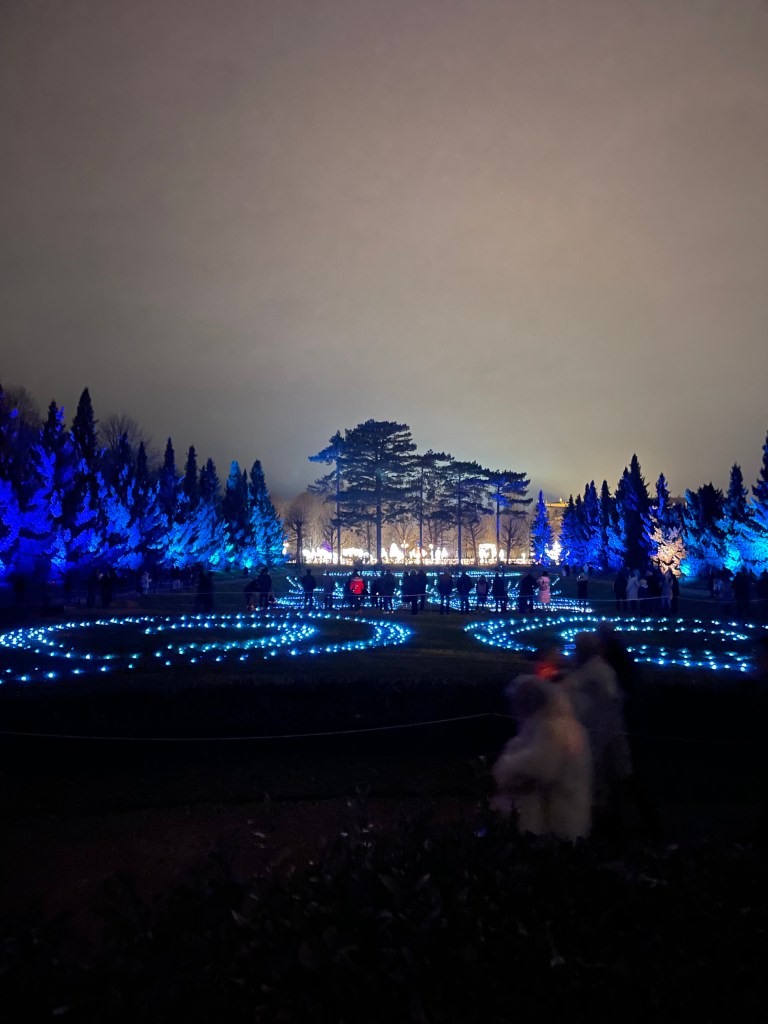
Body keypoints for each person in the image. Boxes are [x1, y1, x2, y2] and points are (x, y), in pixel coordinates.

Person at [491, 675, 592, 840]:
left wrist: (505, 767)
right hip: (562, 816)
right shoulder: (560, 726)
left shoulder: (553, 729)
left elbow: (538, 768)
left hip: (559, 822)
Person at [563, 632, 634, 834]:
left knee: (602, 776)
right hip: (592, 731)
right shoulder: (589, 668)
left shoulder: (598, 671)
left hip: (602, 732)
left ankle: (606, 822)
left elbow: (611, 698)